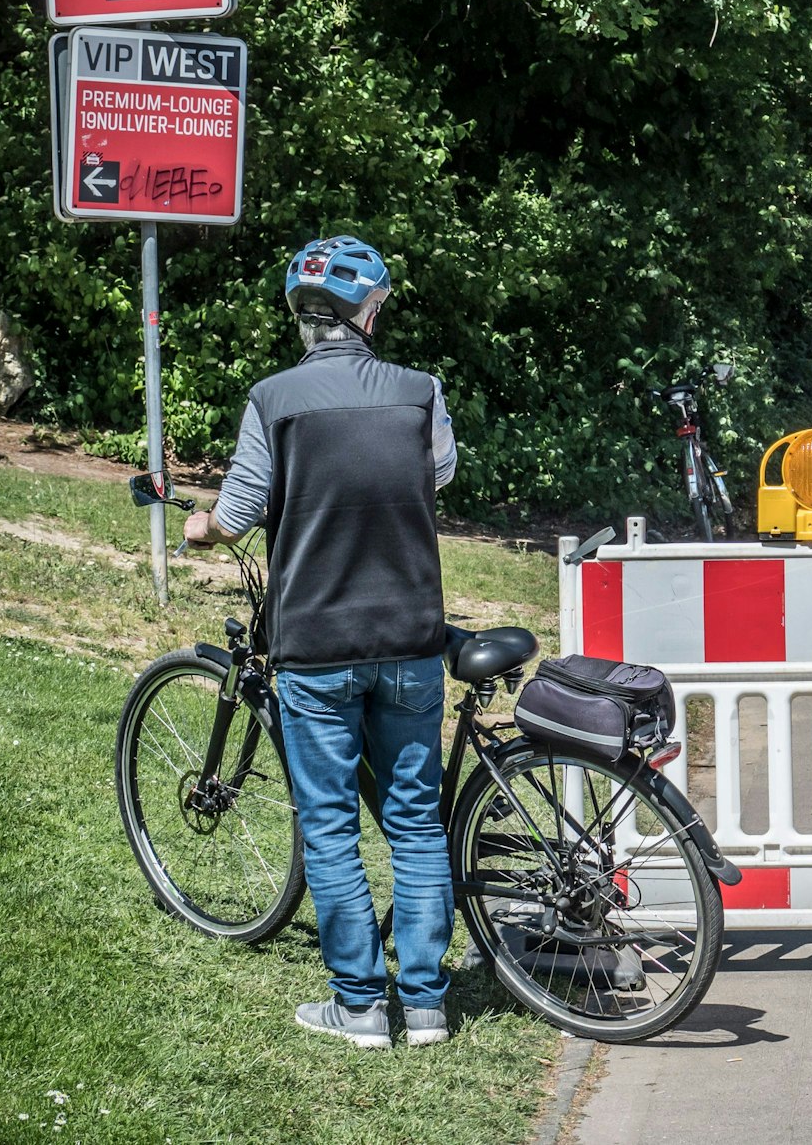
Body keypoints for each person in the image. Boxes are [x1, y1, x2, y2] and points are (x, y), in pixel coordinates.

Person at [184, 235, 458, 1051]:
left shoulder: (272, 399)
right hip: (410, 636)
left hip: (316, 645)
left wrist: (201, 527)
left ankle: (361, 1006)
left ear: (303, 317)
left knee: (331, 825)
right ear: (368, 312)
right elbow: (440, 474)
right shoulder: (421, 391)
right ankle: (428, 1006)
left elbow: (238, 512)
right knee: (416, 822)